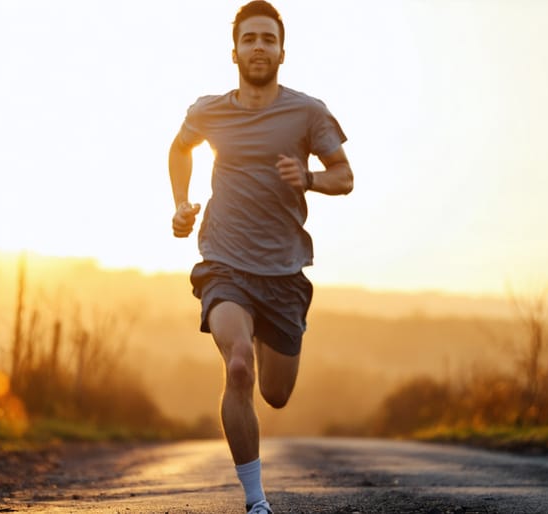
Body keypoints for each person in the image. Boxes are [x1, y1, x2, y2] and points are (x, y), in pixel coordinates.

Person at [167, 1, 353, 512]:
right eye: (249, 38)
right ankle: (256, 502)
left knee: (275, 394)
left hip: (284, 274)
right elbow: (180, 150)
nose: (258, 47)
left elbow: (346, 176)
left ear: (281, 52)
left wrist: (310, 179)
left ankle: (282, 332)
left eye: (267, 39)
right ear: (234, 52)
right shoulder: (209, 110)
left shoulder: (307, 112)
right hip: (224, 264)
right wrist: (181, 204)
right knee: (239, 366)